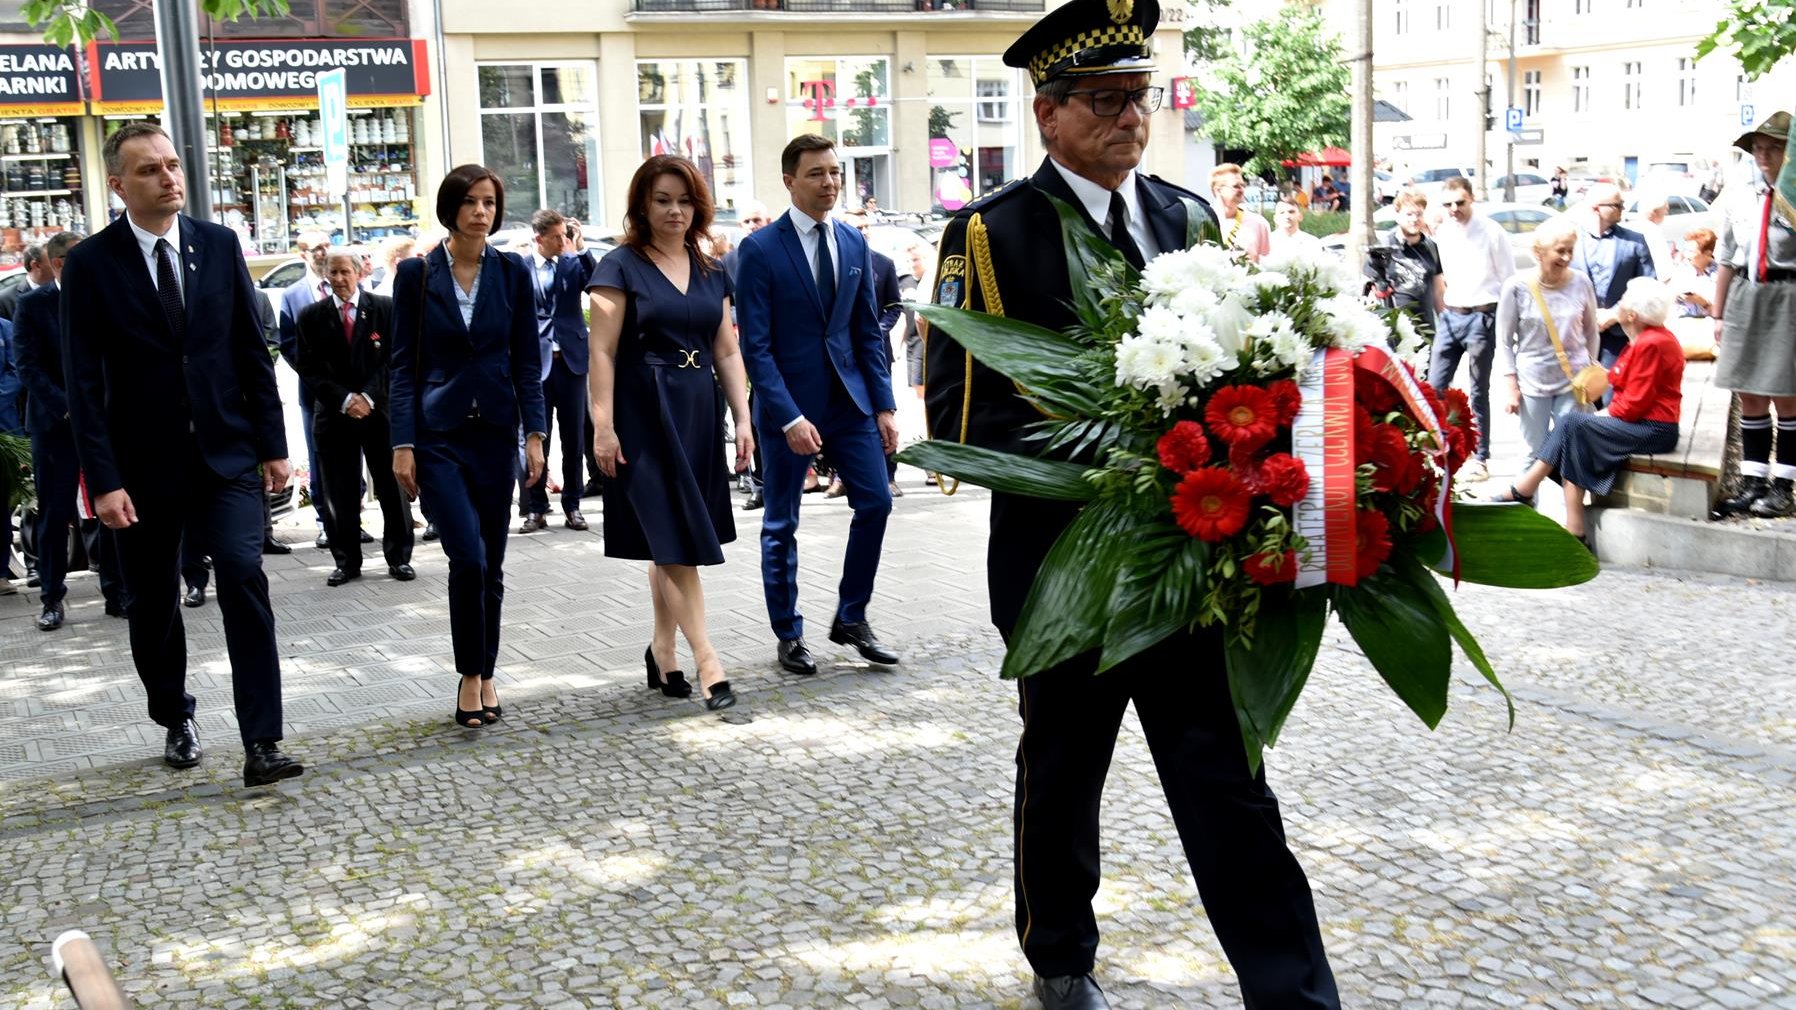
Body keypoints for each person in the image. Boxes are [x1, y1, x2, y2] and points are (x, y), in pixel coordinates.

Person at [925, 2, 1338, 1006]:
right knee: (1062, 772)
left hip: (1189, 560)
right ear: (1046, 114)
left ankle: (1290, 989)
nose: (1127, 118)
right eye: (1103, 100)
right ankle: (1060, 959)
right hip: (1062, 568)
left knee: (1229, 783)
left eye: (1137, 98)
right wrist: (1117, 458)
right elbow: (959, 412)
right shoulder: (987, 233)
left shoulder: (1186, 218)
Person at [60, 121, 302, 786]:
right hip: (141, 470)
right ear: (119, 185)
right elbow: (84, 384)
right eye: (150, 170)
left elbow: (251, 351)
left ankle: (263, 740)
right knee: (155, 600)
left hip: (226, 455)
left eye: (172, 165)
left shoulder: (219, 246)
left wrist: (273, 446)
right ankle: (174, 715)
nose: (169, 177)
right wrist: (103, 481)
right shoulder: (90, 264)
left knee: (241, 573)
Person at [587, 155, 754, 711]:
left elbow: (726, 349)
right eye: (662, 200)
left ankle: (663, 650)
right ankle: (710, 661)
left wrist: (744, 417)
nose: (675, 210)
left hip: (697, 411)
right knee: (677, 543)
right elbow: (601, 353)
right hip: (642, 413)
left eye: (684, 200)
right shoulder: (618, 266)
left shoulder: (712, 270)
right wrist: (603, 427)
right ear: (642, 205)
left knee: (671, 540)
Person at [735, 133, 904, 678]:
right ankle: (789, 633)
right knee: (782, 522)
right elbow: (754, 347)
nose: (830, 182)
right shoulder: (758, 250)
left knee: (876, 502)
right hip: (788, 410)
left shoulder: (854, 243)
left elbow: (865, 334)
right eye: (817, 173)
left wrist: (883, 406)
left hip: (850, 403)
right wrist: (786, 416)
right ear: (790, 181)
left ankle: (852, 616)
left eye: (835, 172)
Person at [390, 164, 547, 729]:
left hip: (495, 433)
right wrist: (402, 442)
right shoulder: (416, 274)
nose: (482, 211)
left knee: (494, 564)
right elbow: (402, 365)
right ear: (451, 208)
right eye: (471, 202)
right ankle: (468, 673)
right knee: (469, 557)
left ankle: (486, 672)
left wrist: (535, 434)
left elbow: (528, 360)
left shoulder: (512, 271)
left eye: (489, 202)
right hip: (437, 437)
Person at [1492, 277, 1684, 544]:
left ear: (1632, 314)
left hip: (1653, 429)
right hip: (1645, 423)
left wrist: (1599, 416)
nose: (1619, 304)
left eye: (1624, 299)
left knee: (1573, 424)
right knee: (1574, 431)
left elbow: (1633, 404)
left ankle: (1525, 489)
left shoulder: (1650, 343)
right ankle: (1574, 528)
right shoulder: (1646, 339)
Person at [13, 230, 124, 628]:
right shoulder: (31, 306)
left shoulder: (102, 298)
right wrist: (68, 407)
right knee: (55, 513)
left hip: (102, 422)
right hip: (55, 425)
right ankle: (51, 599)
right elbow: (28, 367)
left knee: (110, 504)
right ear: (59, 263)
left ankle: (117, 591)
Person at [294, 248, 413, 587]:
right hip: (334, 415)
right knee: (339, 490)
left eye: (345, 272)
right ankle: (346, 560)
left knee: (391, 486)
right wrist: (345, 399)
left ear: (360, 272)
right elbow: (308, 367)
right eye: (333, 273)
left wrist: (369, 396)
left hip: (379, 412)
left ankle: (399, 557)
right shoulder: (311, 316)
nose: (340, 279)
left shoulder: (384, 309)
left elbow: (396, 359)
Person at [1711, 111, 1796, 517]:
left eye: (1773, 148)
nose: (1764, 155)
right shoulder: (1742, 194)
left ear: (1789, 152)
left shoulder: (1793, 196)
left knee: (1786, 393)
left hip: (1786, 294)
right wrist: (1718, 314)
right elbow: (1726, 256)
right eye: (1758, 148)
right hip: (1746, 293)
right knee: (1749, 392)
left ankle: (1783, 486)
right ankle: (1753, 480)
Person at [1496, 216, 1601, 471]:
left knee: (1574, 447)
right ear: (1539, 253)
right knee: (1535, 452)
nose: (1566, 258)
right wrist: (1511, 387)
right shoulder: (1516, 287)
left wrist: (1590, 370)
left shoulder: (1581, 282)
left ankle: (1573, 509)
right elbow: (1504, 341)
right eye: (1560, 251)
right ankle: (1524, 506)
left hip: (1573, 381)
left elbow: (1591, 331)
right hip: (1533, 380)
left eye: (1570, 251)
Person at [518, 208, 598, 534]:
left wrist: (579, 247)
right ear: (539, 238)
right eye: (557, 236)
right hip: (535, 364)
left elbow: (596, 283)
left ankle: (573, 505)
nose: (561, 240)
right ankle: (536, 508)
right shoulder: (520, 267)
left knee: (574, 437)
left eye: (564, 234)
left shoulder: (570, 262)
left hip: (571, 361)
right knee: (536, 436)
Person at [1431, 175, 1516, 481]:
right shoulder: (1443, 231)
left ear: (1472, 199)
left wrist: (1506, 324)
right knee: (1434, 387)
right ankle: (1438, 448)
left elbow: (1509, 281)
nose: (1454, 208)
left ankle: (1480, 456)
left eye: (1460, 202)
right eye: (1448, 204)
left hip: (1482, 316)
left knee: (1478, 390)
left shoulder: (1492, 232)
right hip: (1451, 316)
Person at [826, 212, 905, 498]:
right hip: (841, 358)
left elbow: (895, 306)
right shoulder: (832, 262)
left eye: (866, 227)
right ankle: (839, 476)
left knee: (884, 414)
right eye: (857, 227)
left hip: (875, 354)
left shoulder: (883, 263)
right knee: (844, 419)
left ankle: (888, 475)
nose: (863, 231)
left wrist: (879, 330)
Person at [277, 230, 334, 548]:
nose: (323, 253)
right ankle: (326, 521)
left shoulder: (346, 282)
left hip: (351, 392)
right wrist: (320, 376)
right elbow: (288, 344)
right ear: (303, 255)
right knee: (319, 457)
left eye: (327, 245)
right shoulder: (293, 295)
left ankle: (353, 518)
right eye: (316, 249)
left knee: (351, 457)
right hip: (315, 392)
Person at [1572, 182, 1657, 379]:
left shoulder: (1635, 242)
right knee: (1580, 400)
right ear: (1596, 208)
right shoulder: (1572, 241)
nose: (1622, 209)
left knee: (1613, 397)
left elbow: (1648, 287)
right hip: (1577, 335)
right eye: (1616, 205)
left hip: (1618, 335)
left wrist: (1614, 314)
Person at [1367, 187, 1444, 337]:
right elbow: (1370, 295)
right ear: (1397, 216)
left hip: (1427, 334)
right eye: (1409, 214)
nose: (1414, 219)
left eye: (1419, 214)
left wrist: (1447, 325)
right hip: (1394, 337)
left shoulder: (1431, 247)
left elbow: (1439, 292)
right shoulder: (1382, 248)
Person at [1210, 162, 1270, 262]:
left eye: (1243, 185)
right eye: (1236, 186)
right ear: (1218, 190)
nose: (1242, 190)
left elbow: (1266, 264)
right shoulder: (1203, 221)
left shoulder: (1259, 223)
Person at [898, 242, 930, 400]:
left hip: (923, 341)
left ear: (925, 258)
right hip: (911, 342)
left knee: (921, 386)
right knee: (917, 390)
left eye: (916, 259)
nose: (912, 264)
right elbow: (905, 317)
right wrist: (899, 346)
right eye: (909, 260)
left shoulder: (931, 280)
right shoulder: (905, 282)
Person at [1671, 228, 1719, 318]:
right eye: (1685, 250)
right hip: (1682, 320)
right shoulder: (1682, 268)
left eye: (1691, 252)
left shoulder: (1719, 275)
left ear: (1708, 253)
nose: (1686, 255)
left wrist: (1703, 303)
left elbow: (1724, 311)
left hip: (1709, 323)